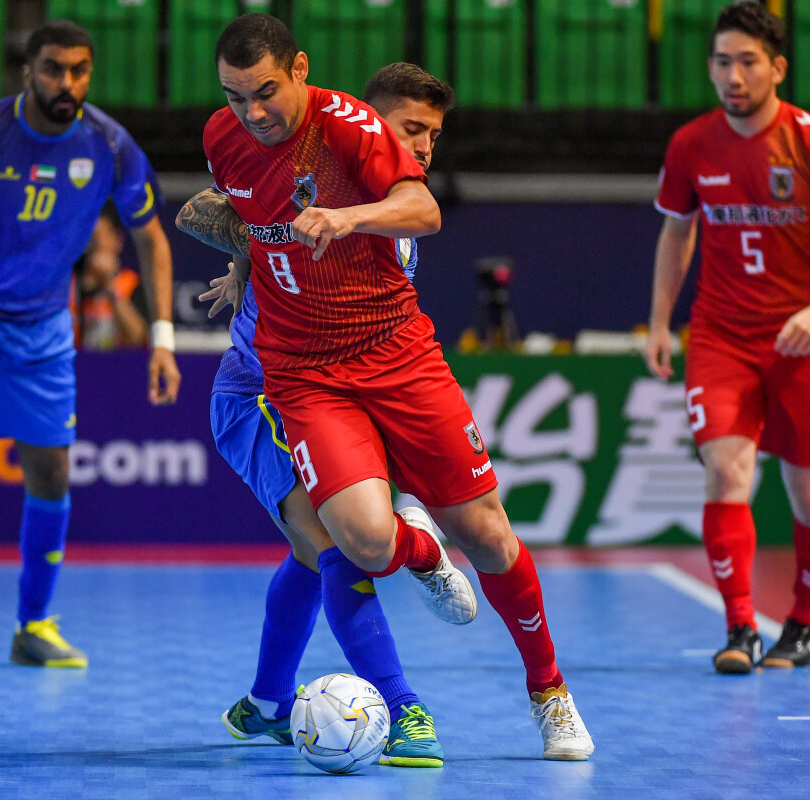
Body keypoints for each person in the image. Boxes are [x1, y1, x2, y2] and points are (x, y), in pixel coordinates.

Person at [187, 14, 593, 761]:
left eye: (265, 93)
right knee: (353, 543)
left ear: (301, 71)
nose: (252, 112)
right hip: (291, 380)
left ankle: (551, 696)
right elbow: (218, 207)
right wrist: (247, 247)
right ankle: (404, 684)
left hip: (397, 362)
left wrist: (346, 217)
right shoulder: (228, 136)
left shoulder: (361, 155)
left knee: (488, 534)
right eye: (237, 97)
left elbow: (425, 209)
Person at [183, 63, 458, 767]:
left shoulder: (393, 218)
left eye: (432, 135)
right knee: (332, 546)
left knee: (311, 554)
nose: (421, 148)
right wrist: (254, 239)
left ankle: (267, 706)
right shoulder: (307, 173)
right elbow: (195, 210)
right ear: (365, 126)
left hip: (331, 394)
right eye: (409, 131)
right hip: (261, 394)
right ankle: (403, 707)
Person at [0, 19, 181, 670]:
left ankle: (34, 625)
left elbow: (152, 238)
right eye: (53, 69)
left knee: (51, 472)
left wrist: (161, 339)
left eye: (80, 70)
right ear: (28, 72)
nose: (67, 82)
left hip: (45, 328)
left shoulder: (109, 144)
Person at [645, 2, 810, 675]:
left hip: (806, 342)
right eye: (722, 61)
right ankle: (741, 626)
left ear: (778, 67)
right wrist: (660, 322)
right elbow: (677, 232)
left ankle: (804, 625)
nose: (734, 75)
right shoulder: (691, 145)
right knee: (727, 469)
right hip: (720, 336)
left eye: (748, 62)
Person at [73, 209, 149, 350]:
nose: (97, 243)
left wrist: (109, 284)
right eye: (92, 236)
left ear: (118, 240)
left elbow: (137, 337)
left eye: (101, 235)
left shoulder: (131, 283)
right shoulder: (71, 283)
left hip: (118, 366)